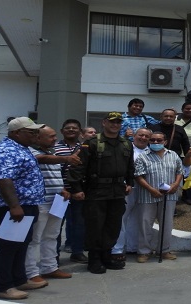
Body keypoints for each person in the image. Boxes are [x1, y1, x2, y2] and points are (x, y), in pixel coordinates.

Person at [0, 117, 46, 300]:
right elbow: (4, 179)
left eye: (36, 131)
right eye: (31, 131)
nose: (36, 134)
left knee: (21, 245)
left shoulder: (21, 149)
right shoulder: (5, 151)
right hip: (9, 207)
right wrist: (14, 206)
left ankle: (19, 279)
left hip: (25, 205)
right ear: (16, 133)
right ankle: (4, 286)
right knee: (8, 247)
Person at [68, 112, 135, 274]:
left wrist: (130, 183)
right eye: (112, 122)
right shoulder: (91, 143)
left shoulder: (126, 143)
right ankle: (94, 259)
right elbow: (78, 167)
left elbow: (130, 166)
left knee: (113, 226)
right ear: (104, 123)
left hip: (117, 191)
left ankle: (107, 256)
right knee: (95, 226)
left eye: (118, 122)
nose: (115, 125)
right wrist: (76, 189)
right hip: (96, 191)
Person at [26, 126, 77, 283]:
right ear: (38, 138)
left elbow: (54, 173)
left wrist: (62, 189)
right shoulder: (30, 151)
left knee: (52, 236)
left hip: (56, 201)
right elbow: (41, 159)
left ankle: (49, 267)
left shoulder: (52, 152)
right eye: (50, 136)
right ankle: (31, 272)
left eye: (55, 136)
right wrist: (67, 159)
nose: (54, 139)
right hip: (39, 202)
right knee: (34, 238)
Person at [133, 131, 183, 263]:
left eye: (159, 140)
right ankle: (144, 251)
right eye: (153, 140)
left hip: (169, 195)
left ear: (165, 142)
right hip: (147, 195)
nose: (155, 142)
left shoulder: (173, 155)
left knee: (167, 224)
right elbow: (138, 176)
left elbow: (180, 171)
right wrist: (151, 189)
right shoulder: (143, 156)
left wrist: (176, 184)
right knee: (145, 224)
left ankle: (164, 250)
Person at [110, 128, 151, 261]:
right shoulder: (125, 148)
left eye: (146, 136)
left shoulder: (152, 151)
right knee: (121, 218)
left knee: (138, 218)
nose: (143, 138)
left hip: (146, 188)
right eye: (141, 135)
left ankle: (132, 247)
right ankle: (117, 249)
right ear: (134, 136)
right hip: (127, 187)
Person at [54, 119, 87, 264]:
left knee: (79, 224)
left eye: (75, 128)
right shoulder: (54, 148)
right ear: (62, 131)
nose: (71, 130)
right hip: (59, 194)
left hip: (79, 193)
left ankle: (77, 252)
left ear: (80, 132)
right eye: (68, 128)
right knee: (56, 226)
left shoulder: (85, 148)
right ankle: (53, 255)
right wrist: (61, 188)